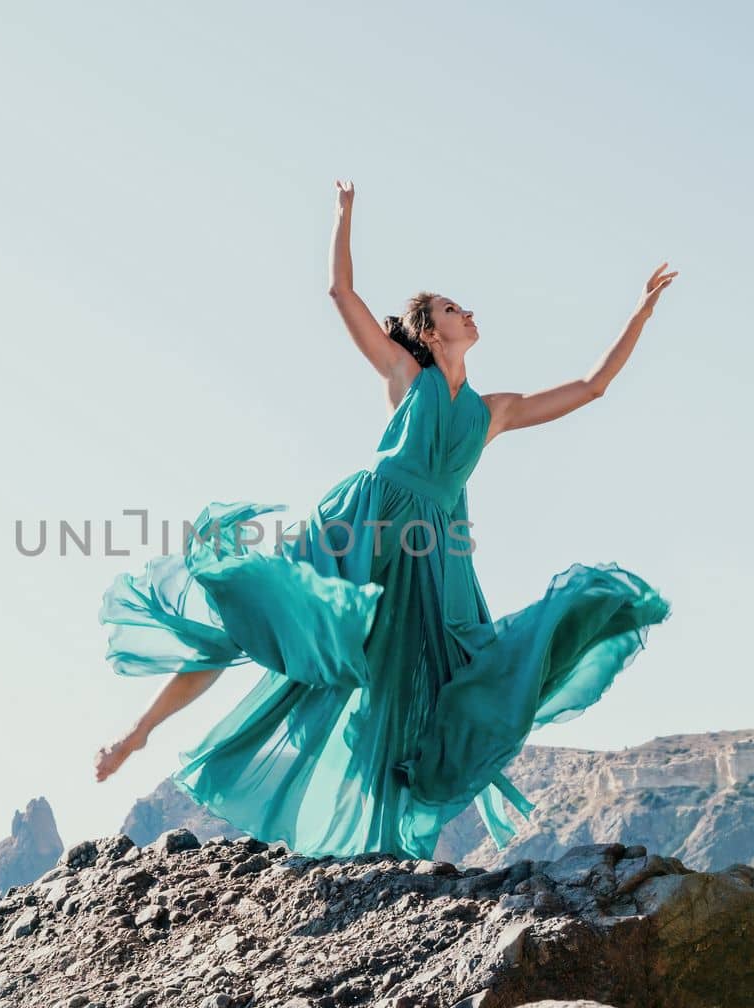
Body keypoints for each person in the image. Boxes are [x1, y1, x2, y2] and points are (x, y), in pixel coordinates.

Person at [92, 179, 676, 860]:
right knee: (259, 618)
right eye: (453, 308)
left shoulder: (494, 411)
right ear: (431, 331)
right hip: (363, 529)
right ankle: (139, 731)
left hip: (434, 561)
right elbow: (342, 293)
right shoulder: (405, 373)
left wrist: (639, 313)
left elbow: (591, 387)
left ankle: (386, 839)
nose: (468, 312)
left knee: (419, 689)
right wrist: (344, 215)